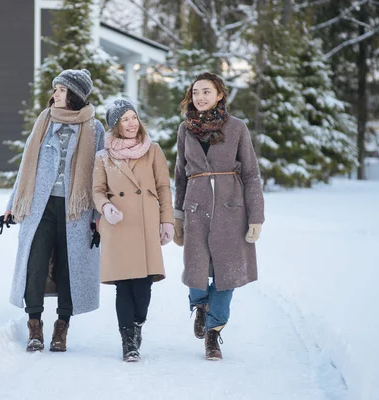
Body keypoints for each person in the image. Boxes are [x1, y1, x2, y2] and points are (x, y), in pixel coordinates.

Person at [4, 69, 105, 352]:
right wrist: (12, 205)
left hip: (77, 211)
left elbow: (100, 175)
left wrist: (98, 218)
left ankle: (62, 327)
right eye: (56, 89)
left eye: (61, 90)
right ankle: (34, 326)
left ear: (74, 94)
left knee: (68, 266)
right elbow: (26, 166)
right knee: (35, 263)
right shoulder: (44, 123)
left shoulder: (94, 129)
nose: (55, 94)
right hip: (40, 205)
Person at [173, 72, 265, 360]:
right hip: (195, 208)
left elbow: (251, 174)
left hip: (230, 209)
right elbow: (180, 174)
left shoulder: (237, 128)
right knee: (195, 272)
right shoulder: (185, 129)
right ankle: (200, 305)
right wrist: (177, 216)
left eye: (206, 92)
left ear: (220, 95)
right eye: (196, 92)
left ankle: (213, 333)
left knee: (227, 274)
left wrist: (256, 217)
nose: (200, 97)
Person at [92, 99, 174, 362]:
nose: (131, 123)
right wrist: (105, 208)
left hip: (146, 223)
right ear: (115, 125)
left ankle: (137, 324)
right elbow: (97, 191)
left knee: (143, 286)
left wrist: (167, 221)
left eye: (134, 118)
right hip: (118, 224)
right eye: (125, 119)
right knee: (124, 286)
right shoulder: (103, 156)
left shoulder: (153, 151)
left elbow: (163, 187)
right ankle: (128, 340)